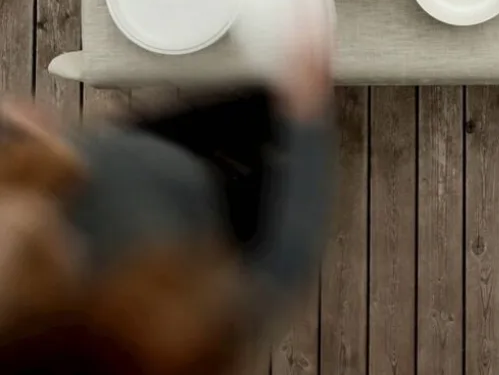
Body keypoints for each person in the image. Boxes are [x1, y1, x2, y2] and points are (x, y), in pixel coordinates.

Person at [0, 29, 336, 375]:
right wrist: (307, 125)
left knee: (262, 95)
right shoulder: (164, 335)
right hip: (219, 211)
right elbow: (286, 261)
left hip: (145, 152)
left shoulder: (33, 189)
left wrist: (13, 130)